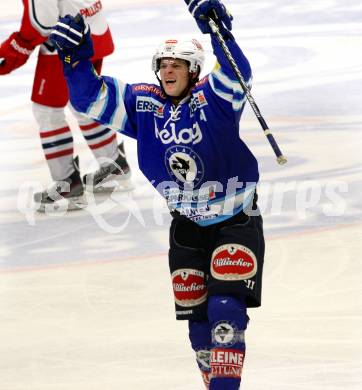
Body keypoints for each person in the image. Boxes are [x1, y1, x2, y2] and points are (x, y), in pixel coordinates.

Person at [49, 0, 265, 388]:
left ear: (193, 70)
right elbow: (88, 99)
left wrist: (218, 31)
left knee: (224, 309)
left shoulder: (214, 100)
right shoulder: (145, 106)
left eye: (177, 64)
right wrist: (77, 61)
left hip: (236, 220)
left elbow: (238, 71)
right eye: (163, 64)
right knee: (198, 325)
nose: (168, 69)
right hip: (186, 225)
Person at [0, 0, 132, 212]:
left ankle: (66, 184)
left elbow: (41, 24)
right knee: (83, 103)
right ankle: (114, 164)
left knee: (47, 110)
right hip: (91, 30)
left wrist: (12, 50)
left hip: (66, 40)